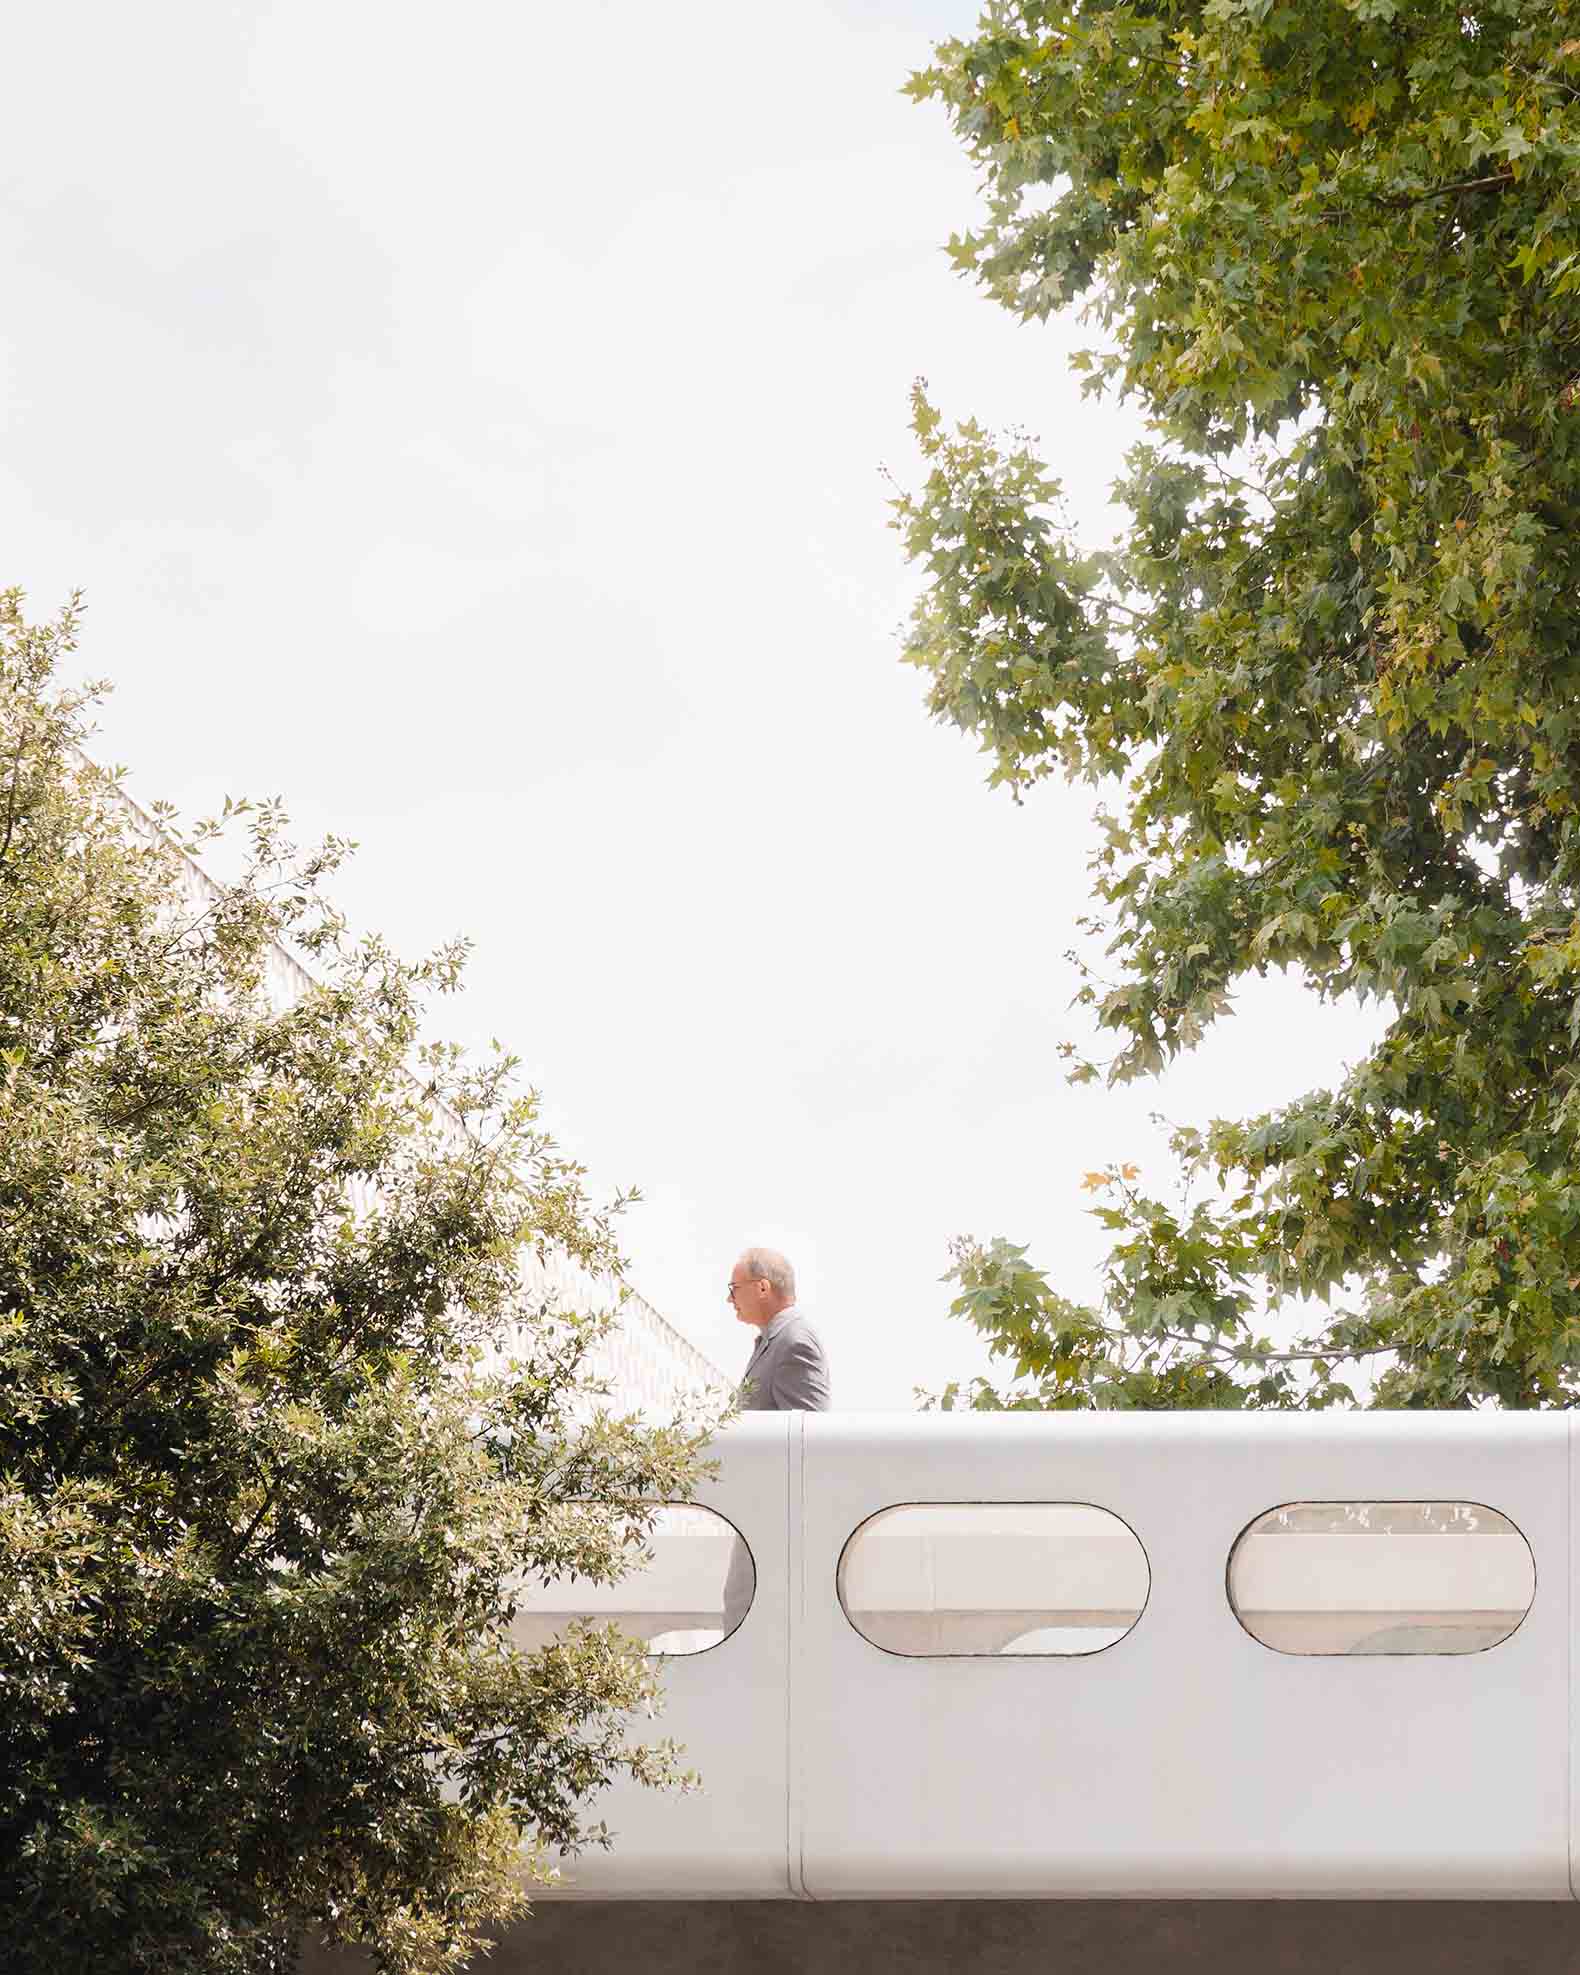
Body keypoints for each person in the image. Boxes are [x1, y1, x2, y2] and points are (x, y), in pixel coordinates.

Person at [728, 1247, 830, 1412]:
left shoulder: (794, 1343)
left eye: (734, 1288)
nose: (729, 1299)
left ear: (762, 1288)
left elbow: (808, 1427)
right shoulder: (778, 1340)